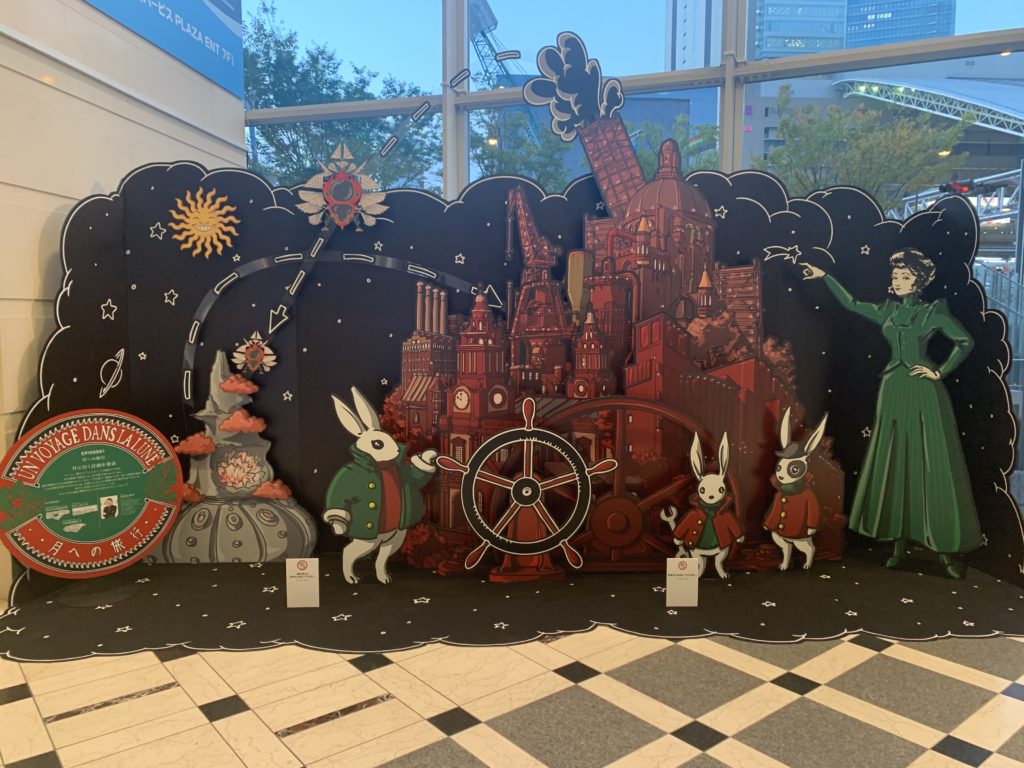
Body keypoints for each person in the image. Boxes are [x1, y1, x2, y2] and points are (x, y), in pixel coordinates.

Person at [801, 249, 982, 579]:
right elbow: (852, 303)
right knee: (895, 459)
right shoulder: (888, 310)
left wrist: (939, 371)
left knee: (929, 462)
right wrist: (825, 276)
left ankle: (944, 551)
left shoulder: (931, 312)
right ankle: (898, 546)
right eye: (895, 276)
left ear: (918, 281)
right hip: (893, 388)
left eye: (904, 276)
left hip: (923, 391)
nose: (897, 281)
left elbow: (965, 342)